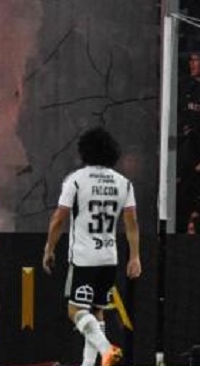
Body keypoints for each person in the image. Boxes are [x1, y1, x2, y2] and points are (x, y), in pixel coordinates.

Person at [43, 127, 141, 366]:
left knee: (74, 311)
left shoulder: (76, 180)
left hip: (84, 258)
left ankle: (107, 349)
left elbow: (59, 217)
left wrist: (49, 248)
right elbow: (131, 224)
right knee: (97, 312)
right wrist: (135, 256)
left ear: (84, 151)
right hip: (109, 257)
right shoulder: (124, 183)